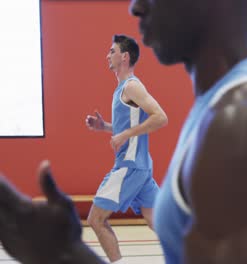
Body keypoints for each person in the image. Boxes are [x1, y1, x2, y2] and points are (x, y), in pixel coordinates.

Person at [0, 0, 247, 263]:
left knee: (108, 220)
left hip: (132, 166)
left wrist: (64, 254)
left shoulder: (240, 127)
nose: (136, 6)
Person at [85, 34, 168, 263]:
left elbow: (160, 117)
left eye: (112, 51)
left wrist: (126, 134)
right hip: (141, 168)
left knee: (95, 219)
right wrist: (105, 127)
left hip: (129, 167)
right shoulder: (122, 89)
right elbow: (127, 126)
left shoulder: (131, 86)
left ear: (125, 56)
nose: (107, 55)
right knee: (159, 222)